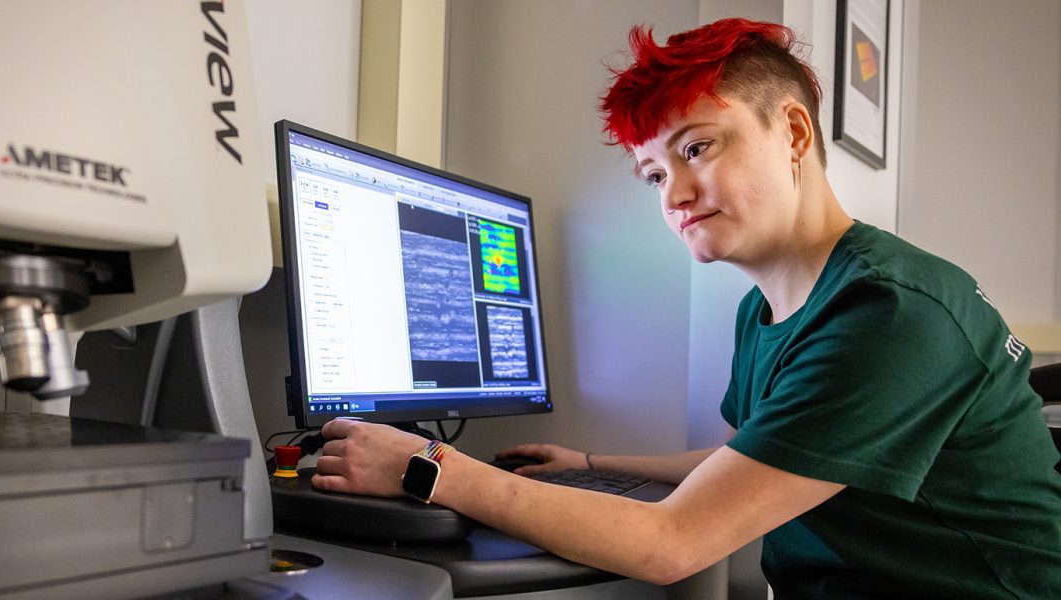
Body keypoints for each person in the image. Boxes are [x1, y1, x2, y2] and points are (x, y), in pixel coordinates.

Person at [310, 17, 1061, 598]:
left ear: (793, 132)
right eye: (651, 174)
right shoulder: (768, 307)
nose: (671, 196)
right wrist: (592, 462)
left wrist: (430, 468)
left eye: (697, 149)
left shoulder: (888, 313)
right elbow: (769, 458)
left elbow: (675, 543)